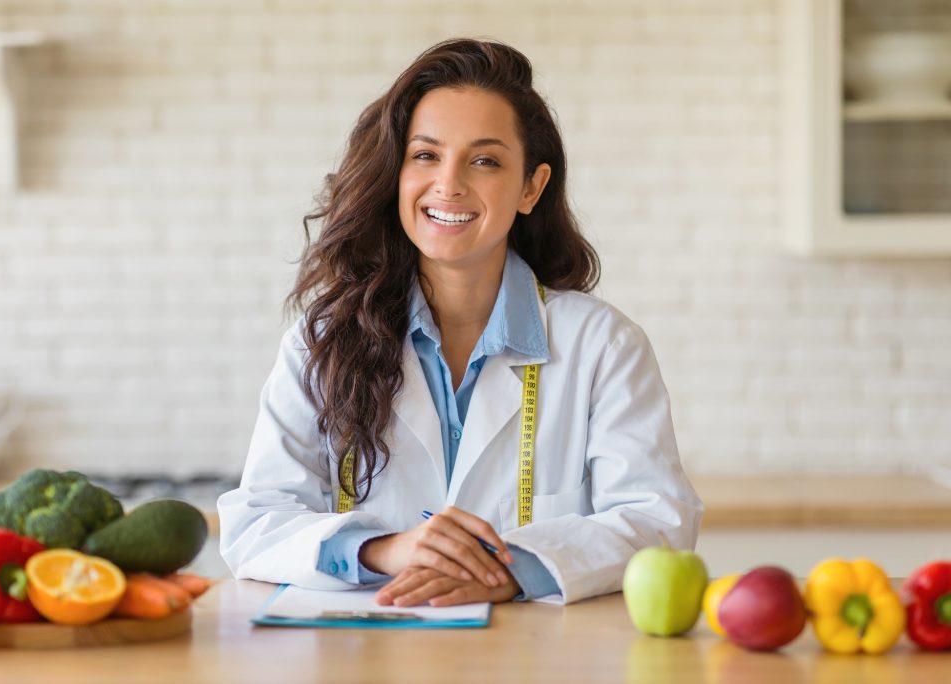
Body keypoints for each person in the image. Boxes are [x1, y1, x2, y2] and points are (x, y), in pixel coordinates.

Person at [218, 38, 703, 606]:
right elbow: (255, 522)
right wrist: (386, 550)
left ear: (531, 187)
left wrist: (507, 570)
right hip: (371, 648)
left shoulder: (603, 346)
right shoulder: (322, 341)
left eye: (485, 160)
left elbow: (657, 520)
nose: (449, 184)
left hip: (533, 648)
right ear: (397, 174)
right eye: (426, 155)